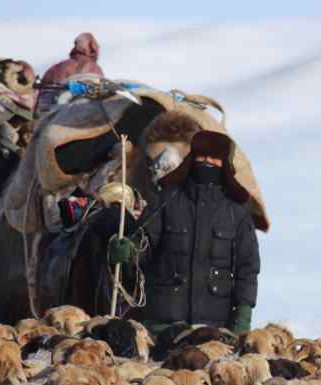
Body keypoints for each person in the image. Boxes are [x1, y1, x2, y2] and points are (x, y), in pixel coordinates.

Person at [109, 130, 260, 335]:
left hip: (214, 331)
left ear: (225, 165)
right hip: (161, 327)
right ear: (191, 158)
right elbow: (144, 244)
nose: (207, 162)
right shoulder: (165, 201)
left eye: (214, 158)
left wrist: (243, 315)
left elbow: (247, 269)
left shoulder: (237, 214)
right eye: (202, 156)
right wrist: (128, 251)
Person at [35, 33, 104, 116]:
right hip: (85, 116)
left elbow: (42, 104)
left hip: (49, 116)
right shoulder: (95, 69)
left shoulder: (55, 68)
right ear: (92, 50)